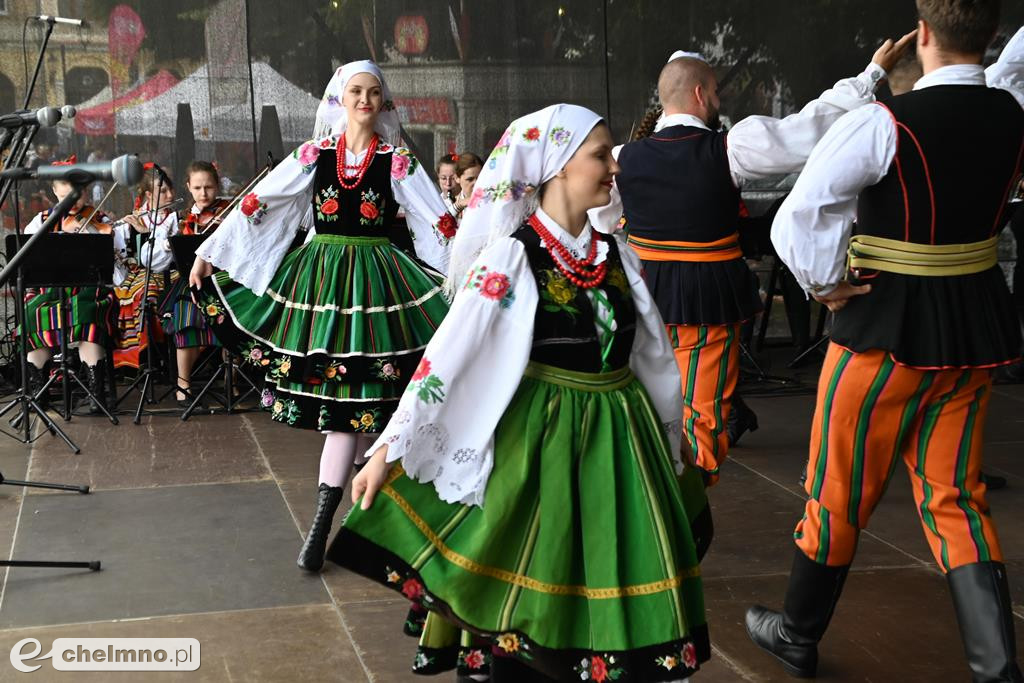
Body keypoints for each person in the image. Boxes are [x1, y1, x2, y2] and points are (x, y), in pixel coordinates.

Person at [328, 104, 710, 683]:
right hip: (541, 443)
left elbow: (651, 354)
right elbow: (450, 355)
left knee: (607, 567)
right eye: (600, 155)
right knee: (534, 572)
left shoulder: (615, 255)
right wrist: (388, 447)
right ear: (557, 166)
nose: (613, 168)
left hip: (620, 441)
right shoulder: (514, 255)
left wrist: (670, 438)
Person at [746, 3, 1024, 679]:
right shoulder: (1014, 118)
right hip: (970, 338)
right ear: (990, 36)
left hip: (880, 337)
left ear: (922, 35)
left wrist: (824, 284)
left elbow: (797, 218)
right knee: (956, 495)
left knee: (836, 486)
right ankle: (997, 667)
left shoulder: (881, 122)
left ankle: (797, 632)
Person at [612, 35, 914, 491]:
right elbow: (810, 128)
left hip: (643, 293)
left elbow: (600, 222)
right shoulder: (731, 147)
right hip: (706, 295)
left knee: (642, 403)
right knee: (702, 411)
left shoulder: (621, 158)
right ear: (699, 94)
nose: (719, 99)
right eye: (715, 92)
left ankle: (647, 499)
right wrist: (870, 75)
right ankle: (686, 508)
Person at [189, 61, 455, 573]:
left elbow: (435, 217)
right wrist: (212, 251)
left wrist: (467, 275)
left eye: (374, 92)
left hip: (378, 284)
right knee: (347, 411)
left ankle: (352, 530)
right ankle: (325, 526)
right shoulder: (315, 154)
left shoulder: (397, 161)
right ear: (340, 98)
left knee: (373, 408)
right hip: (323, 284)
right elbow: (264, 201)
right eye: (356, 91)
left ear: (382, 101)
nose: (365, 100)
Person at [22, 156, 118, 414]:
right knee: (32, 312)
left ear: (85, 191)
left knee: (86, 311)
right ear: (54, 192)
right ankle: (37, 389)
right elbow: (28, 259)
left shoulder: (101, 221)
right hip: (51, 290)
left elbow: (113, 261)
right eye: (65, 197)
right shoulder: (40, 221)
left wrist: (91, 235)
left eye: (76, 196)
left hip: (90, 289)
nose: (72, 204)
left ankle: (96, 391)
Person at [159, 161, 228, 406]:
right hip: (192, 281)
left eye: (209, 187)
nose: (203, 193)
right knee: (185, 312)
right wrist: (171, 243)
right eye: (197, 187)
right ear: (188, 187)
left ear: (217, 185)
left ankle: (233, 379)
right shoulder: (182, 219)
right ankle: (183, 384)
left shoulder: (230, 213)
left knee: (232, 310)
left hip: (226, 279)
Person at [112, 165, 179, 370]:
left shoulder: (176, 219)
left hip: (171, 273)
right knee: (138, 294)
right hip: (139, 275)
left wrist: (146, 232)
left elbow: (166, 257)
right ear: (149, 194)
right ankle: (145, 357)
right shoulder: (134, 218)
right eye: (163, 191)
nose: (169, 195)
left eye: (170, 190)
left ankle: (163, 355)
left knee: (150, 293)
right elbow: (121, 253)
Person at [449, 152, 483, 224]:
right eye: (470, 179)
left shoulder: (491, 200)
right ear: (457, 178)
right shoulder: (449, 202)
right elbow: (439, 230)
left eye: (480, 178)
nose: (476, 183)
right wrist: (458, 206)